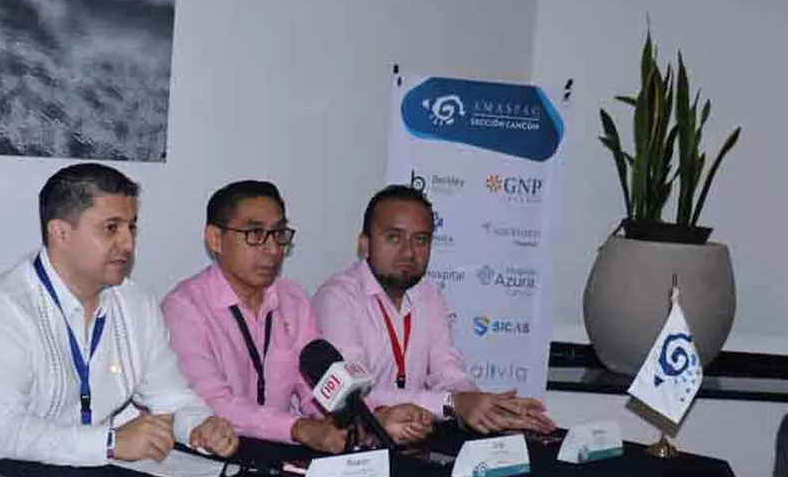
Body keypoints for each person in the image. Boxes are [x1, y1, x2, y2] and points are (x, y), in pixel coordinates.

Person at [0, 162, 238, 465]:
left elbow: (171, 399)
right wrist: (108, 442)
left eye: (131, 227)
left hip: (105, 474)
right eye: (111, 228)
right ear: (61, 232)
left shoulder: (136, 303)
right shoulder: (0, 308)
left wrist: (201, 425)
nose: (128, 244)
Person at [162, 180, 432, 452]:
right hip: (211, 455)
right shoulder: (185, 308)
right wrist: (298, 428)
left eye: (279, 233)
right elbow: (212, 403)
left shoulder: (292, 299)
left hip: (280, 452)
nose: (273, 249)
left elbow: (315, 387)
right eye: (255, 233)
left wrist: (373, 418)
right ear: (215, 239)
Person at [314, 184, 557, 435]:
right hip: (345, 447)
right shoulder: (337, 299)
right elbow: (354, 396)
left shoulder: (429, 295)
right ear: (364, 244)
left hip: (410, 440)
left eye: (420, 240)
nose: (408, 252)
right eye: (394, 238)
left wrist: (487, 406)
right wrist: (453, 403)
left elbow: (447, 371)